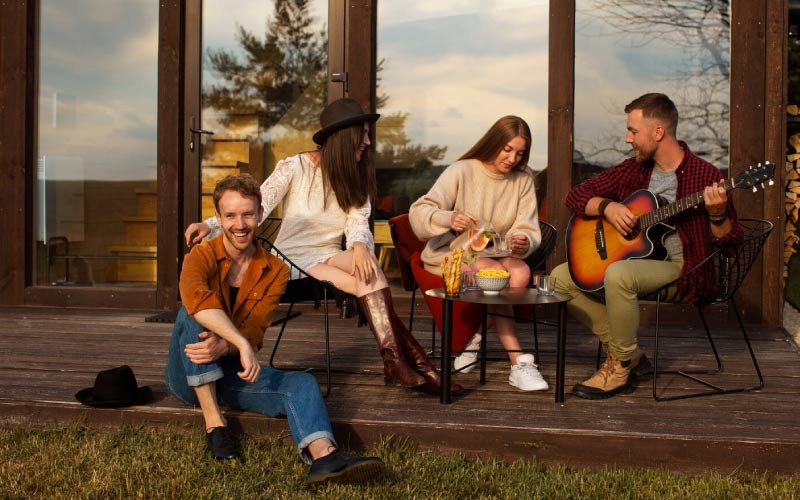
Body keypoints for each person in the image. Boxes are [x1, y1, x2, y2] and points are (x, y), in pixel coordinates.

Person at [184, 98, 458, 396]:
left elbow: (357, 224)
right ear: (343, 139)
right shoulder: (295, 166)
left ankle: (398, 364)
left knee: (369, 268)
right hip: (292, 259)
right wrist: (209, 225)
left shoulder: (355, 179)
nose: (368, 141)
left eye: (368, 134)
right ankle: (418, 365)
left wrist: (360, 248)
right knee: (366, 279)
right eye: (362, 134)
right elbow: (255, 204)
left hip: (327, 254)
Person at [166, 174, 385, 487]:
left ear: (259, 214)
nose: (239, 224)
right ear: (218, 218)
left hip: (232, 372)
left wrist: (229, 347)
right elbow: (199, 300)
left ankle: (325, 457)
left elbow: (255, 330)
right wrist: (239, 342)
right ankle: (216, 427)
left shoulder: (275, 269)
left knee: (302, 381)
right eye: (230, 216)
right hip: (187, 377)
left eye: (247, 214)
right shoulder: (199, 256)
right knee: (191, 314)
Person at [550, 92, 742, 400]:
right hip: (635, 261)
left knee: (618, 275)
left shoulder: (706, 176)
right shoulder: (635, 169)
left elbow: (731, 245)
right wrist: (607, 209)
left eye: (633, 131)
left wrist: (717, 215)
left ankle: (620, 366)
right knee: (560, 277)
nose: (628, 139)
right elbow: (576, 195)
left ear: (658, 132)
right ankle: (631, 352)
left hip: (685, 268)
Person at [409, 115, 548, 392]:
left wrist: (524, 241)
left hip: (496, 250)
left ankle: (475, 341)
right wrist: (449, 218)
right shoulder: (462, 170)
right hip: (455, 253)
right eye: (507, 149)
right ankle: (518, 362)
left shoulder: (522, 180)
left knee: (521, 273)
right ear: (494, 141)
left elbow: (528, 227)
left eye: (520, 153)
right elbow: (419, 211)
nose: (512, 158)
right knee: (495, 275)